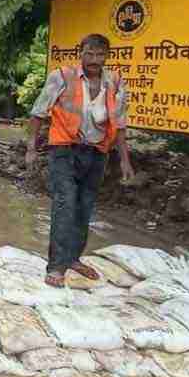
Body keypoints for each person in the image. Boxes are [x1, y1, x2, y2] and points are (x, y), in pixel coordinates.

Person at [26, 33, 134, 287]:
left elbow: (119, 124)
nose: (94, 59)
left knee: (85, 207)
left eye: (100, 55)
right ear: (80, 54)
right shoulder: (62, 76)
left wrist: (124, 161)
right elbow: (38, 113)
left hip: (97, 152)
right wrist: (31, 147)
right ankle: (56, 267)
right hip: (64, 149)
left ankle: (73, 258)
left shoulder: (115, 82)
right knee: (65, 203)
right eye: (89, 54)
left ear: (106, 56)